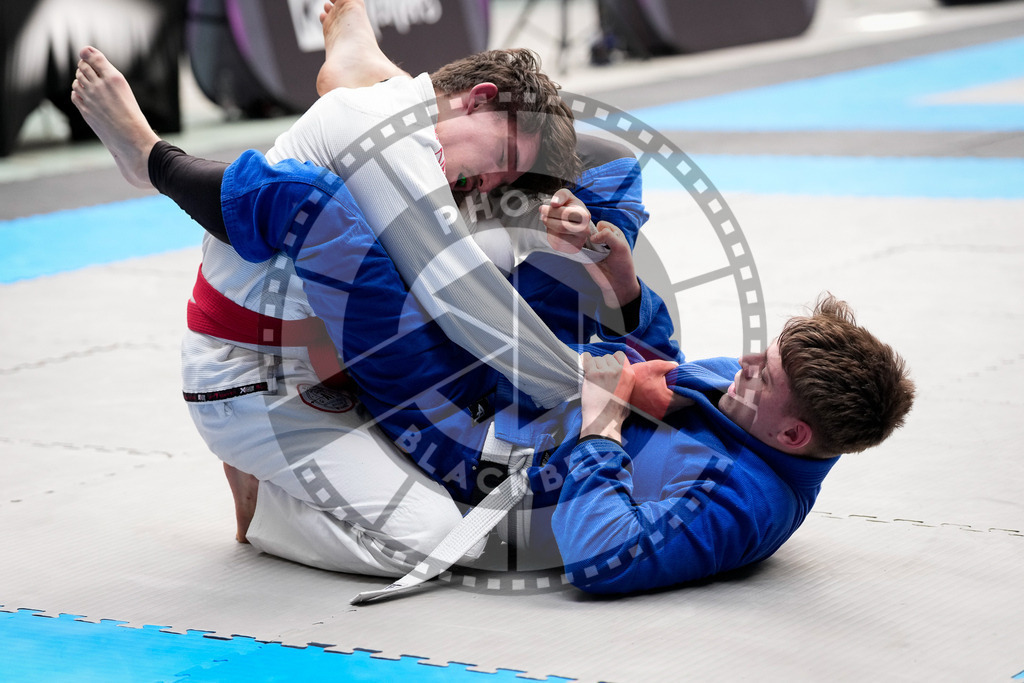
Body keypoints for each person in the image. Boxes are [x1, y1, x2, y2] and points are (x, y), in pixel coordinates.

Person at [71, 46, 915, 592]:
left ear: (793, 435)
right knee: (608, 173)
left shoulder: (739, 508)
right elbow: (658, 354)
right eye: (761, 355)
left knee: (321, 213)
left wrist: (599, 430)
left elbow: (600, 554)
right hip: (544, 378)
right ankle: (372, 84)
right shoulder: (758, 408)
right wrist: (617, 277)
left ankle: (152, 158)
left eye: (762, 376)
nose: (744, 364)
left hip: (469, 422)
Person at [70, 3, 645, 577]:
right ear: (478, 99)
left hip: (346, 367)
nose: (489, 182)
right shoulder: (381, 134)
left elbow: (580, 177)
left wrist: (563, 236)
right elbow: (461, 294)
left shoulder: (410, 128)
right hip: (255, 380)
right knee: (437, 537)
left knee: (521, 221)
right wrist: (579, 385)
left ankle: (364, 67)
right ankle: (267, 505)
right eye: (501, 158)